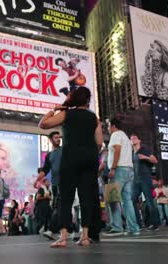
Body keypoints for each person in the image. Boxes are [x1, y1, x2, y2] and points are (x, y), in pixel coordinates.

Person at [38, 86, 103, 247]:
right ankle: (86, 236)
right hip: (90, 158)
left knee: (65, 199)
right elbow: (100, 142)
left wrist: (55, 109)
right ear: (88, 101)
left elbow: (43, 124)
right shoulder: (94, 118)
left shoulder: (66, 114)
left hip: (70, 158)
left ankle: (63, 237)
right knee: (86, 197)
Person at [104, 118, 141, 236]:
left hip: (119, 169)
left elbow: (117, 150)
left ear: (113, 126)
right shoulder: (125, 136)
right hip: (129, 170)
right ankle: (133, 228)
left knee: (112, 199)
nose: (108, 128)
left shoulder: (115, 135)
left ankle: (117, 227)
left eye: (109, 125)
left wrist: (113, 168)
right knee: (127, 201)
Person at [33, 131, 63, 240]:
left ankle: (51, 229)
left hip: (64, 183)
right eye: (56, 137)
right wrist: (37, 180)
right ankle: (67, 230)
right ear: (50, 140)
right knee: (61, 207)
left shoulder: (64, 150)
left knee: (58, 207)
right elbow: (45, 170)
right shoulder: (49, 155)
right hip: (55, 184)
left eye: (59, 137)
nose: (58, 139)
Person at [130, 133, 160, 231]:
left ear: (139, 141)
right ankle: (138, 224)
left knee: (149, 200)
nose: (133, 139)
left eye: (135, 138)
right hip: (136, 180)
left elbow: (155, 160)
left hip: (145, 178)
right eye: (131, 139)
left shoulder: (144, 150)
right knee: (132, 200)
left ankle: (155, 223)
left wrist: (146, 157)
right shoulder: (132, 153)